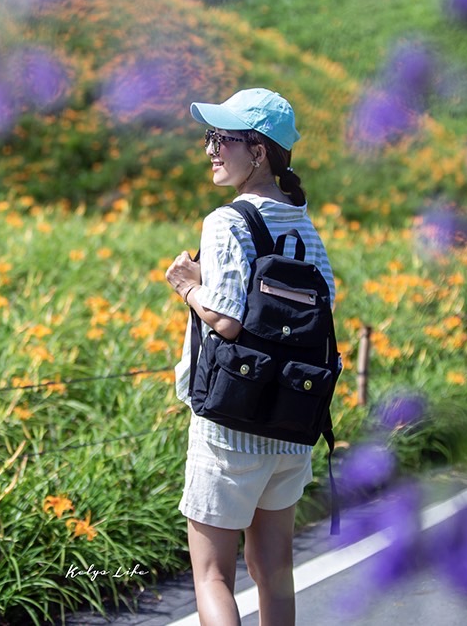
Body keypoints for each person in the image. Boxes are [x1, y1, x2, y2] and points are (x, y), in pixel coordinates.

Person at [165, 88, 336, 626]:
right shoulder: (303, 222)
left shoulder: (227, 220)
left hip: (230, 426)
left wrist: (187, 286)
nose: (210, 149)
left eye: (222, 139)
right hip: (290, 423)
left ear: (258, 151)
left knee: (213, 577)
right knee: (274, 572)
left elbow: (228, 320)